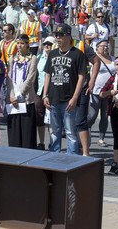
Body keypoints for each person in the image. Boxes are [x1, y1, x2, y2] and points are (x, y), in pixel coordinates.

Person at [43, 23, 87, 155]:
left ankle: (72, 157)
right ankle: (54, 154)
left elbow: (81, 77)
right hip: (53, 97)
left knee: (70, 131)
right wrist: (45, 95)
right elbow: (48, 74)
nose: (57, 38)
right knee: (55, 131)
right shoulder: (52, 54)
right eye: (56, 35)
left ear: (68, 36)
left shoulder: (77, 54)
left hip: (69, 99)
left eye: (61, 35)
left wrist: (75, 97)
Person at [6, 34, 38, 149]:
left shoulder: (32, 58)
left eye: (22, 43)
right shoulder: (12, 58)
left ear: (27, 44)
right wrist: (11, 94)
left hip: (25, 98)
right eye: (18, 43)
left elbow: (30, 78)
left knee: (26, 132)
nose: (19, 46)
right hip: (13, 98)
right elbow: (9, 78)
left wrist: (19, 95)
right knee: (14, 131)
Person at [100, 56, 118, 175]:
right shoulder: (112, 78)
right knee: (116, 138)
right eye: (117, 64)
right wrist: (109, 93)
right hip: (114, 112)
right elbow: (101, 94)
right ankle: (115, 163)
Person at [87, 40, 115, 147]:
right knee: (92, 116)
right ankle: (86, 132)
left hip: (108, 92)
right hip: (96, 91)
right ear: (97, 47)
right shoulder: (94, 59)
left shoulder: (112, 58)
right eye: (102, 46)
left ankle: (101, 139)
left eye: (106, 46)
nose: (105, 48)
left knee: (104, 116)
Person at [35, 36, 56, 149]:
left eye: (50, 44)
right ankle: (41, 142)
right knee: (40, 116)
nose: (47, 46)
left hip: (52, 91)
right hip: (39, 90)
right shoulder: (39, 57)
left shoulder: (56, 57)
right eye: (45, 44)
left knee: (51, 118)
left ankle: (52, 142)